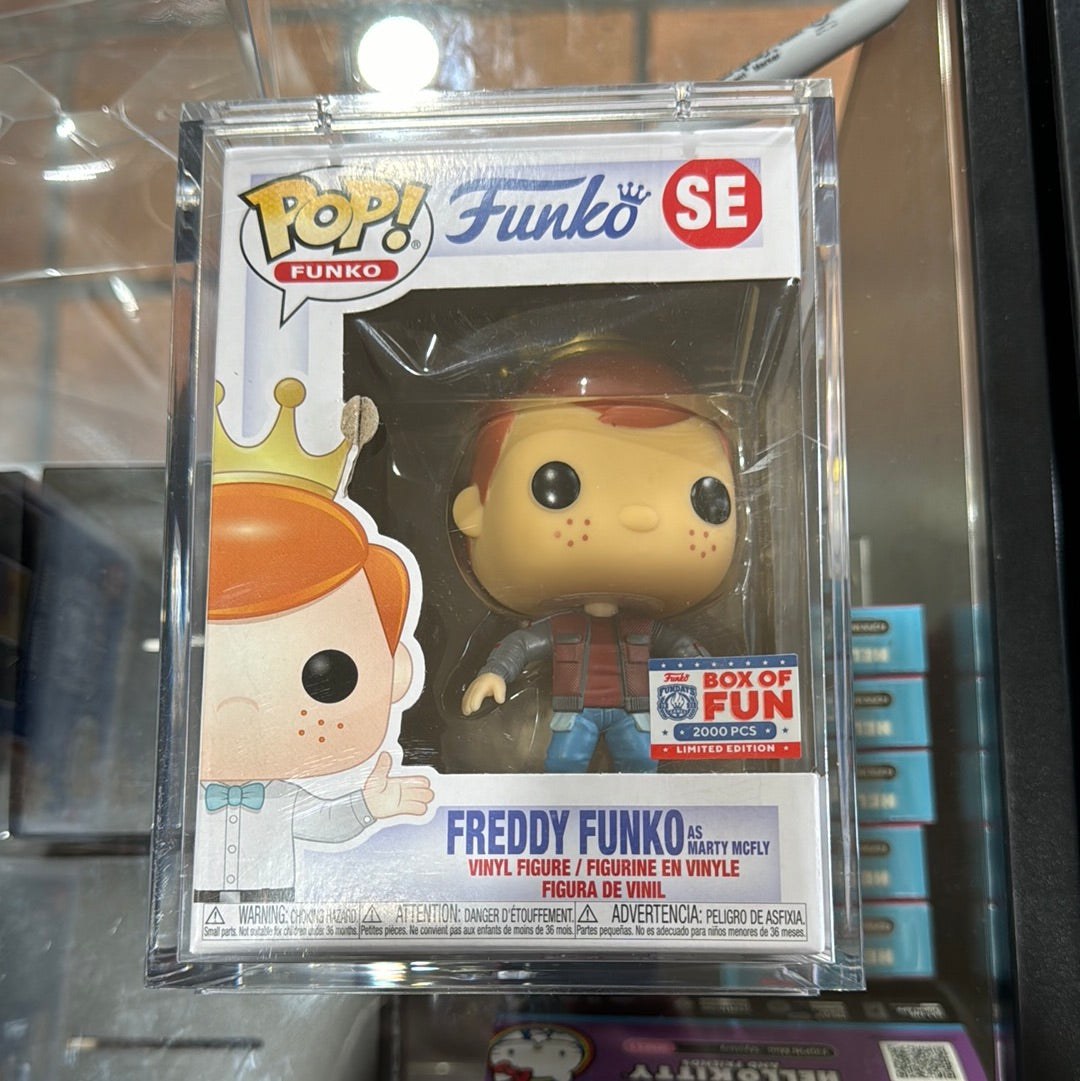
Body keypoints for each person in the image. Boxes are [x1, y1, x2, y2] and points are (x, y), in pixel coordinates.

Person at [193, 378, 431, 902]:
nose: (241, 708)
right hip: (196, 905)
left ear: (395, 669)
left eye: (327, 676)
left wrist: (371, 806)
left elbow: (324, 822)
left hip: (276, 908)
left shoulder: (283, 796)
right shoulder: (184, 793)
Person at [453, 344, 737, 773]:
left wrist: (712, 674)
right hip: (576, 712)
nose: (641, 516)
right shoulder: (563, 627)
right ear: (473, 511)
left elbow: (679, 645)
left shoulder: (642, 627)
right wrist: (495, 672)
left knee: (642, 761)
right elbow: (522, 645)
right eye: (557, 486)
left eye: (706, 498)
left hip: (633, 713)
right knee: (565, 761)